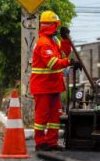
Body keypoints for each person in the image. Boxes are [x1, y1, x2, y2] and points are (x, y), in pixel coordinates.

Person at [30, 11, 77, 151]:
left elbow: (64, 54)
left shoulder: (53, 41)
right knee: (42, 117)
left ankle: (51, 142)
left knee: (54, 116)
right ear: (51, 25)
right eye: (56, 25)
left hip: (53, 86)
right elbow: (53, 63)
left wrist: (65, 40)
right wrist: (69, 62)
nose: (57, 28)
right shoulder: (43, 43)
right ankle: (40, 143)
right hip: (43, 87)